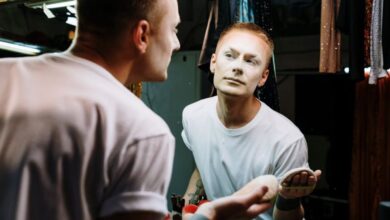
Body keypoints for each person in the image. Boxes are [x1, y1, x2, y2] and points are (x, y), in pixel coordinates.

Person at [0, 0, 272, 219]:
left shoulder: (5, 76)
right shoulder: (142, 132)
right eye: (174, 29)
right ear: (142, 35)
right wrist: (207, 216)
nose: (177, 43)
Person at [181, 22, 322, 220]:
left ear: (263, 77)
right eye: (229, 56)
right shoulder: (193, 116)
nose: (237, 67)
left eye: (250, 61)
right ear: (213, 62)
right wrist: (185, 210)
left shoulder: (287, 140)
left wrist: (288, 199)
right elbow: (202, 168)